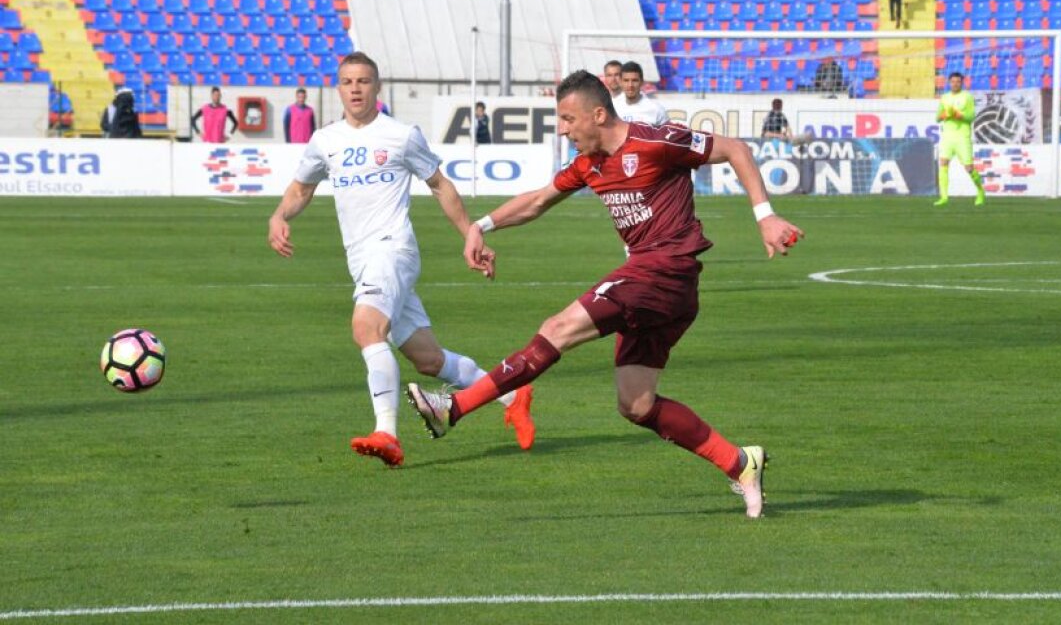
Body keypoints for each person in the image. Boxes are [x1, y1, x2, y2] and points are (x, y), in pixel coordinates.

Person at [405, 70, 804, 518]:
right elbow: (537, 201)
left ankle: (453, 408)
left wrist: (765, 216)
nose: (562, 129)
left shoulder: (657, 141)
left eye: (567, 118)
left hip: (665, 271)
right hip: (658, 288)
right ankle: (739, 462)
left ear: (598, 114)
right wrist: (481, 225)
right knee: (636, 404)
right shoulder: (588, 164)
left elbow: (735, 149)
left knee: (557, 328)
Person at [268, 52, 535, 467]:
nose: (355, 88)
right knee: (429, 360)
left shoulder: (401, 135)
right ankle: (512, 394)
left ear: (377, 87)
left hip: (392, 248)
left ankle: (387, 433)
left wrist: (471, 234)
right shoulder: (325, 141)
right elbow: (301, 189)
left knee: (366, 327)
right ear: (338, 88)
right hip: (363, 258)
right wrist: (279, 215)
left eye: (363, 81)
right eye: (347, 81)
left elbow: (440, 185)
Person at [934, 71, 986, 207]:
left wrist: (958, 115)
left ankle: (980, 191)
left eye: (958, 82)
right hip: (947, 137)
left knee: (969, 168)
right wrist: (945, 115)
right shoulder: (944, 97)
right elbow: (937, 118)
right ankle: (944, 197)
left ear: (961, 83)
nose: (955, 84)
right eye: (953, 82)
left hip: (962, 137)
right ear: (949, 83)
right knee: (943, 163)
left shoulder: (967, 97)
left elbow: (971, 116)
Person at [614, 61, 668, 126]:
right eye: (626, 80)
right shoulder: (613, 107)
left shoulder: (657, 110)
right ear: (620, 82)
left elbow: (668, 134)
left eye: (634, 80)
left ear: (642, 82)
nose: (630, 85)